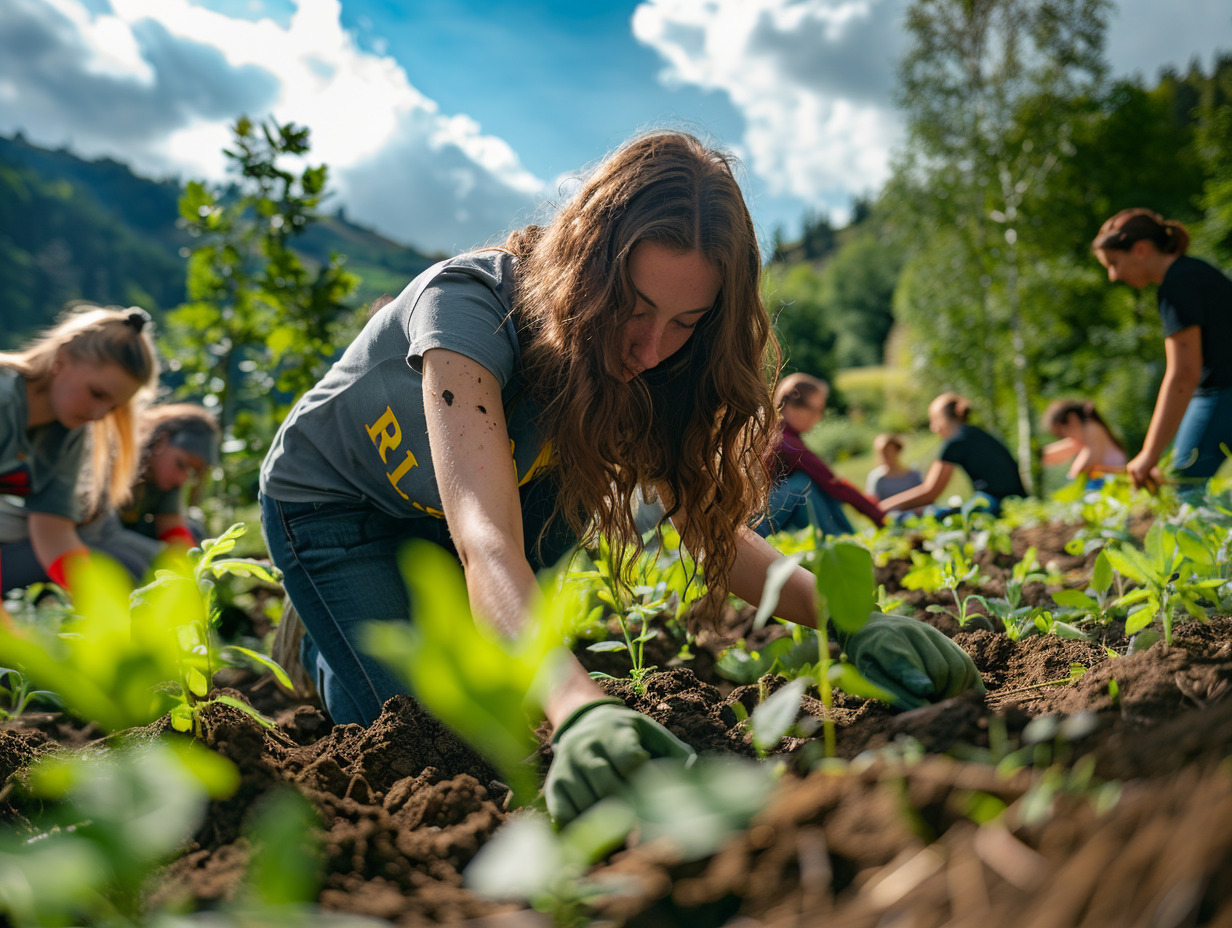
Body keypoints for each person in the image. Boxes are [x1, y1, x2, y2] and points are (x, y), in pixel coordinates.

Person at [259, 131, 981, 825]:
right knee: (442, 748)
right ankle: (327, 642)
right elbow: (486, 540)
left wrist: (851, 620)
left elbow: (704, 528)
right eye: (633, 310)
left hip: (505, 491)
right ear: (586, 274)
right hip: (340, 504)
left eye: (685, 320)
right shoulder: (467, 309)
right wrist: (580, 706)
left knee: (511, 696)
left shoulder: (651, 364)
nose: (650, 347)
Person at [0, 305, 159, 599]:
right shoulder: (4, 398)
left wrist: (98, 604)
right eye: (97, 394)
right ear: (61, 360)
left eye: (112, 407)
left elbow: (53, 531)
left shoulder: (67, 433)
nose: (99, 415)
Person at [1092, 209, 1232, 495]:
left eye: (1114, 263)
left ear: (1141, 249)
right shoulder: (1194, 272)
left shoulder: (1177, 285)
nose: (1113, 276)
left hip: (1223, 393)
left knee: (1185, 487)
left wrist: (1148, 454)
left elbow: (1184, 373)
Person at [755, 372, 885, 536]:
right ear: (793, 408)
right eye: (817, 410)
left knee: (815, 485)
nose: (818, 418)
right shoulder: (785, 441)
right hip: (756, 521)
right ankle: (845, 540)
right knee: (804, 484)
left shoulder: (779, 433)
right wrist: (879, 516)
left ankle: (847, 538)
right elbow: (833, 482)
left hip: (768, 511)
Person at [880, 392, 1026, 517]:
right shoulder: (971, 433)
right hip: (1014, 499)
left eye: (934, 420)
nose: (933, 428)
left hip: (996, 503)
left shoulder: (956, 442)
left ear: (943, 419)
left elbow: (930, 492)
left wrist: (884, 507)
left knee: (933, 514)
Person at [1041, 399, 1126, 488]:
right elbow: (1052, 455)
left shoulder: (1092, 428)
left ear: (1072, 419)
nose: (1067, 438)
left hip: (1116, 484)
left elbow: (1086, 466)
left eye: (1063, 433)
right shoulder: (1084, 437)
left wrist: (1072, 476)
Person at [865, 432, 923, 504]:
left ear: (897, 451)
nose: (884, 455)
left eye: (887, 451)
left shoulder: (914, 475)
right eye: (880, 452)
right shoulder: (875, 477)